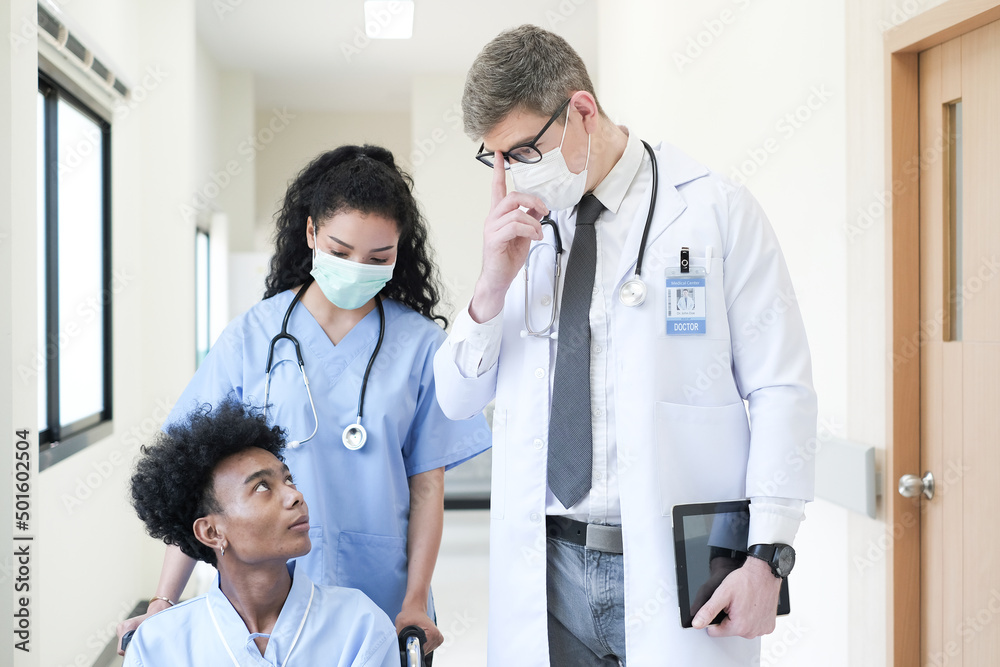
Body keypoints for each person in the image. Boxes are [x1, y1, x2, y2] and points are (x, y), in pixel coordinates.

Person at [433, 25, 816, 666]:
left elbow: (781, 386)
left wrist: (770, 554)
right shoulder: (519, 238)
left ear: (581, 110)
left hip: (675, 566)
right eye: (492, 158)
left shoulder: (711, 210)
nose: (508, 177)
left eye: (523, 151)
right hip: (548, 569)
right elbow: (455, 398)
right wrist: (490, 286)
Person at [118, 144, 490, 655]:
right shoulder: (253, 336)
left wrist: (416, 600)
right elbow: (199, 477)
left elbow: (427, 488)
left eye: (378, 257)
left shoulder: (421, 345)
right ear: (311, 232)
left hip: (381, 591)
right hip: (266, 589)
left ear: (399, 252)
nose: (358, 268)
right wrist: (164, 597)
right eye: (340, 252)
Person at [123, 397, 399, 666]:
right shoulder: (158, 645)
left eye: (288, 479)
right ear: (211, 532)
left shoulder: (361, 626)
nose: (295, 496)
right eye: (262, 487)